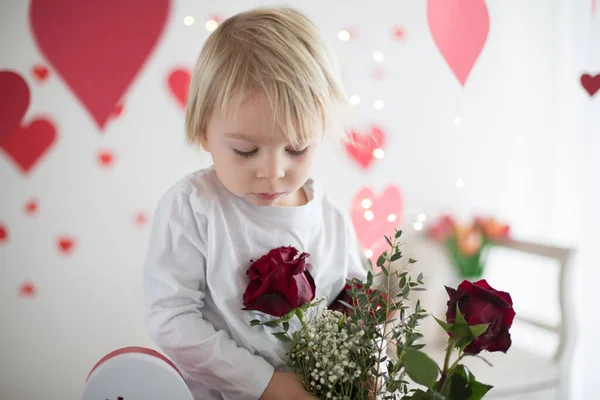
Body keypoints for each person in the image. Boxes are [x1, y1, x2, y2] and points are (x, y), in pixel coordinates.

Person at [143, 6, 367, 400]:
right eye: (246, 151)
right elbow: (172, 318)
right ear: (203, 131)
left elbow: (356, 305)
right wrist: (266, 384)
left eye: (297, 148)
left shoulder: (329, 217)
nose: (273, 171)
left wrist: (370, 363)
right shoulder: (195, 207)